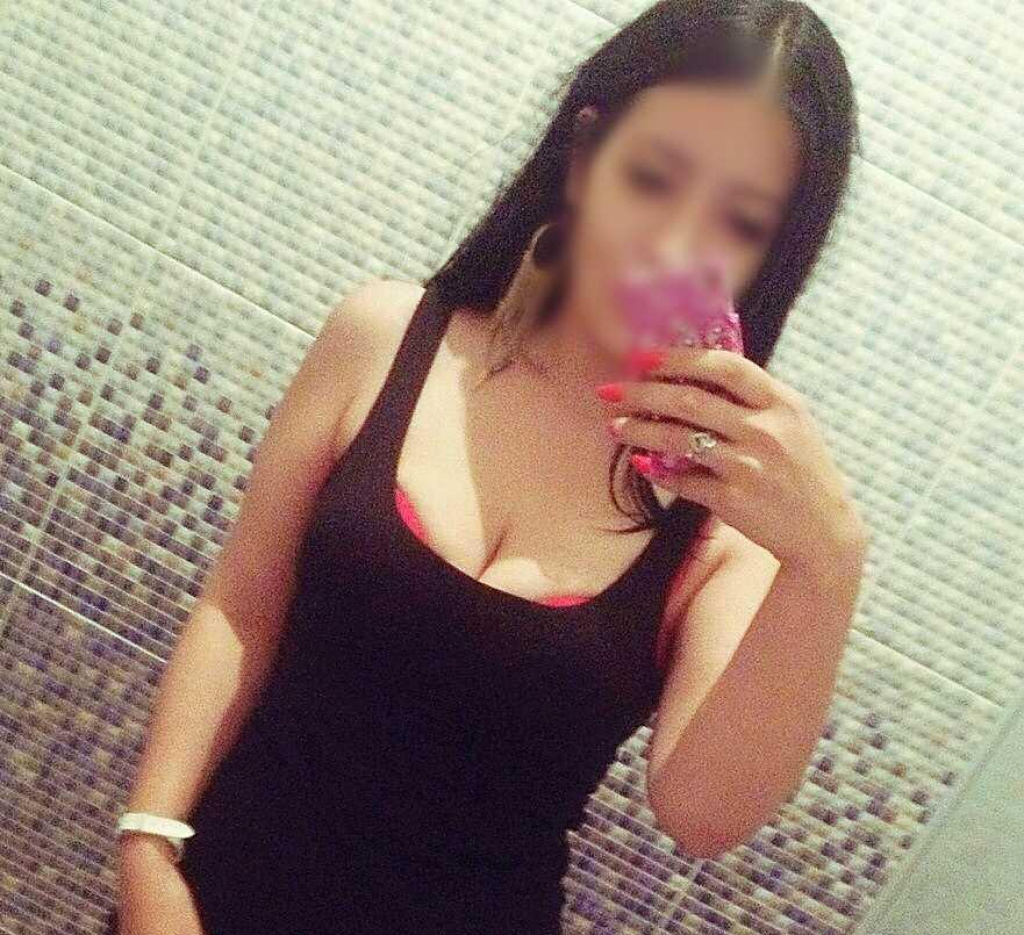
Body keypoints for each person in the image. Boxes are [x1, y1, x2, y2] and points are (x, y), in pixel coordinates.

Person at [107, 1, 870, 933]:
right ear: (586, 153)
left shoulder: (724, 522)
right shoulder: (385, 338)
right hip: (200, 904)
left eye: (736, 220)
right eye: (652, 176)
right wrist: (149, 846)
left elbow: (702, 816)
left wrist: (831, 561)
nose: (673, 241)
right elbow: (242, 602)